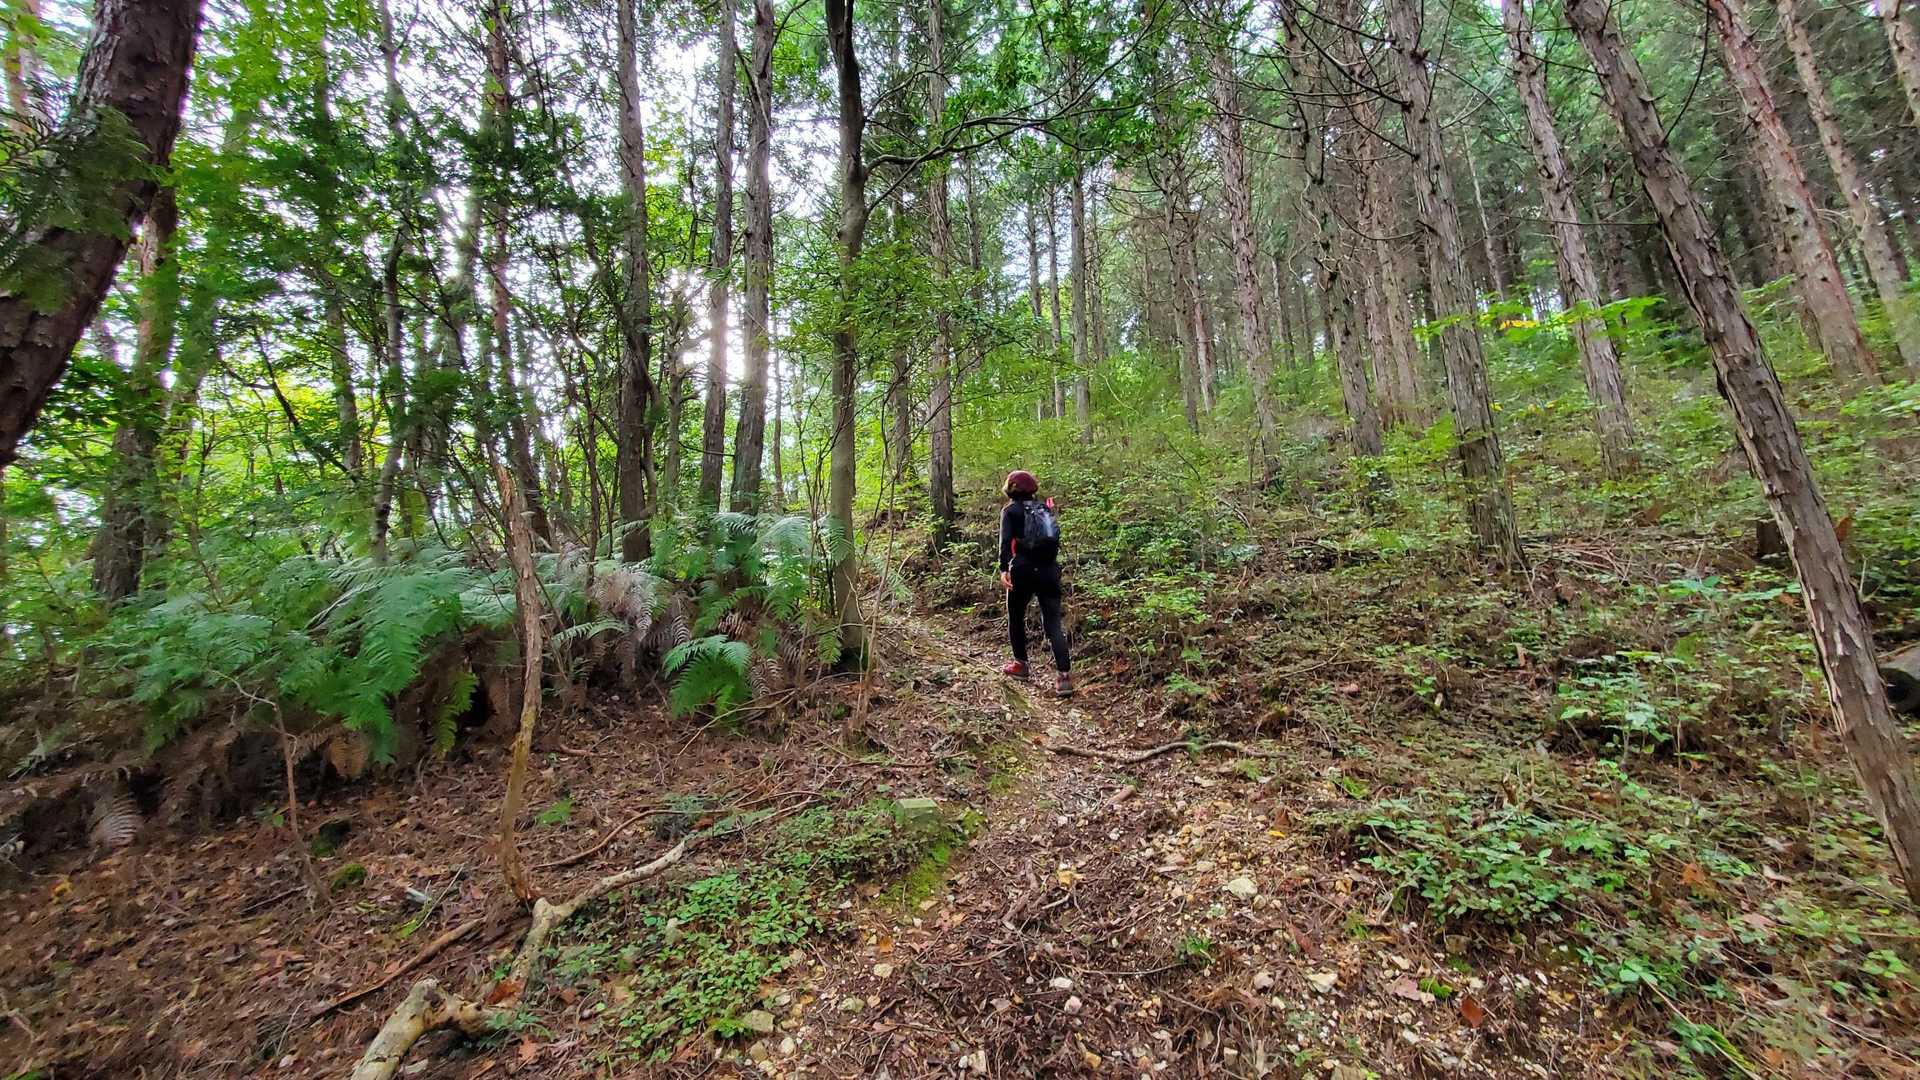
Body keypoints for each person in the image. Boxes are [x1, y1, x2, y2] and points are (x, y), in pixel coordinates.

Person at [998, 469, 1073, 696]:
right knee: (1053, 623)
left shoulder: (1010, 511)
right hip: (1049, 570)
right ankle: (1064, 677)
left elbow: (1005, 543)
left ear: (1011, 488)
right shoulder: (1045, 508)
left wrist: (1004, 569)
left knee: (1016, 617)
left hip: (1023, 570)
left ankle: (1020, 665)